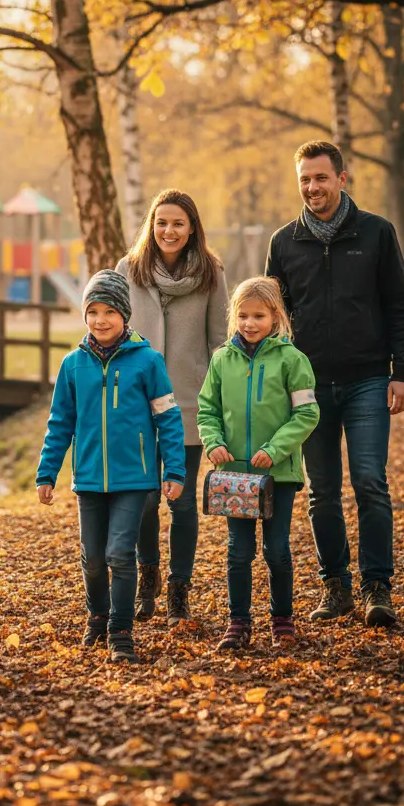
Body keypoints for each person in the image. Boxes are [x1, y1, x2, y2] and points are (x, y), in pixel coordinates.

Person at [266, 140, 404, 628]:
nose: (313, 187)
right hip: (308, 388)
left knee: (370, 483)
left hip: (368, 380)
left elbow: (400, 305)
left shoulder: (375, 233)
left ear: (342, 179)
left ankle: (378, 588)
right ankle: (337, 587)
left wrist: (403, 373)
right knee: (321, 491)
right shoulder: (283, 242)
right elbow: (274, 319)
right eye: (305, 179)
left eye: (321, 178)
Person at [36, 270, 186, 664]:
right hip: (88, 479)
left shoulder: (148, 361)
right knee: (93, 557)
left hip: (133, 479)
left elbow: (168, 419)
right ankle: (97, 618)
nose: (101, 320)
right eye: (93, 311)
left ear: (125, 314)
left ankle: (120, 630)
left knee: (121, 552)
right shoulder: (73, 365)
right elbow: (60, 423)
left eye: (109, 311)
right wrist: (47, 472)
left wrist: (174, 469)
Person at [116, 189, 228, 626]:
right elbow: (114, 330)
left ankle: (180, 589)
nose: (169, 231)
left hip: (189, 402)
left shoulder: (210, 272)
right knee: (143, 499)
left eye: (178, 223)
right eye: (162, 222)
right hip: (137, 404)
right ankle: (149, 577)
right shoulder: (129, 269)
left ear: (192, 227)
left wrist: (218, 396)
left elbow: (220, 339)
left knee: (180, 503)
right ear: (151, 225)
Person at [197, 277, 320, 650]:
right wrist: (213, 442)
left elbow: (306, 413)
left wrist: (276, 448)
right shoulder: (221, 360)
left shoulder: (292, 360)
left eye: (259, 315)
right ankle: (238, 622)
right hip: (235, 477)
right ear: (234, 317)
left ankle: (282, 619)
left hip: (278, 475)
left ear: (275, 316)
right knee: (238, 551)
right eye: (243, 315)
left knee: (277, 549)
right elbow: (208, 410)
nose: (250, 323)